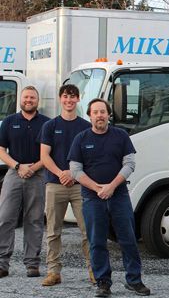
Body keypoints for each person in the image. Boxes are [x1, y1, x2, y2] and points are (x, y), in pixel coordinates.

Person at [68, 98, 150, 297]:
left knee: (128, 239)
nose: (99, 115)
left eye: (103, 112)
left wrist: (111, 187)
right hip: (92, 198)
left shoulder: (120, 136)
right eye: (95, 112)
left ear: (109, 114)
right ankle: (103, 283)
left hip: (119, 196)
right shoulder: (81, 138)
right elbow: (75, 171)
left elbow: (130, 164)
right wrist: (97, 188)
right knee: (97, 242)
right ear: (89, 115)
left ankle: (134, 280)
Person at [39, 84, 94, 286]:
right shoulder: (50, 126)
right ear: (60, 99)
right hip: (55, 184)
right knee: (53, 231)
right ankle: (53, 272)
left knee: (88, 230)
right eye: (65, 96)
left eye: (72, 97)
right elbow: (44, 156)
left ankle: (94, 270)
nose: (69, 100)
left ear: (78, 99)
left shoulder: (85, 126)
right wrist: (61, 173)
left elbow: (90, 157)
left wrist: (74, 174)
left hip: (80, 185)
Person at [0, 86, 49, 279]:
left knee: (35, 220)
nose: (29, 100)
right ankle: (2, 263)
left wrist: (33, 168)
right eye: (26, 97)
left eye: (33, 98)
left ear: (38, 101)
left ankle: (32, 264)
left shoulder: (46, 123)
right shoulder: (10, 122)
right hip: (14, 173)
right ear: (21, 99)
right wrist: (18, 166)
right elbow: (1, 149)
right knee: (5, 218)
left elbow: (49, 152)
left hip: (38, 174)